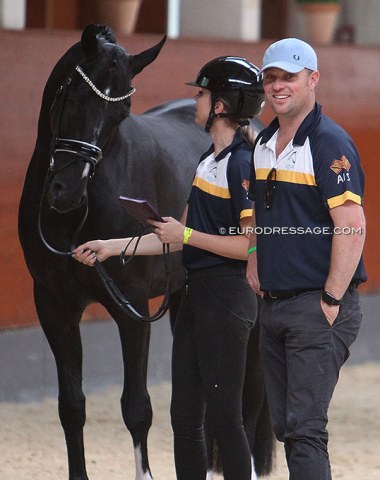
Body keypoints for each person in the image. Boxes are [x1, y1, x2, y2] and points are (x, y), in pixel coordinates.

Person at [73, 56, 266, 480]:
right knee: (184, 420)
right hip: (196, 294)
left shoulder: (241, 166)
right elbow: (171, 236)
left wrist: (187, 237)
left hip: (227, 299)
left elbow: (252, 246)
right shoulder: (205, 163)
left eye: (200, 93)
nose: (194, 100)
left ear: (219, 106)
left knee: (224, 419)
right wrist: (110, 246)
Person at [246, 38, 367, 480]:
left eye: (289, 77)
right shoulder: (262, 143)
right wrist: (255, 256)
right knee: (286, 427)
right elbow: (260, 213)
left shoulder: (329, 142)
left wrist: (332, 299)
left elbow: (352, 224)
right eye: (271, 77)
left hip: (319, 306)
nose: (278, 86)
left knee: (305, 429)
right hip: (274, 306)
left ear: (312, 79)